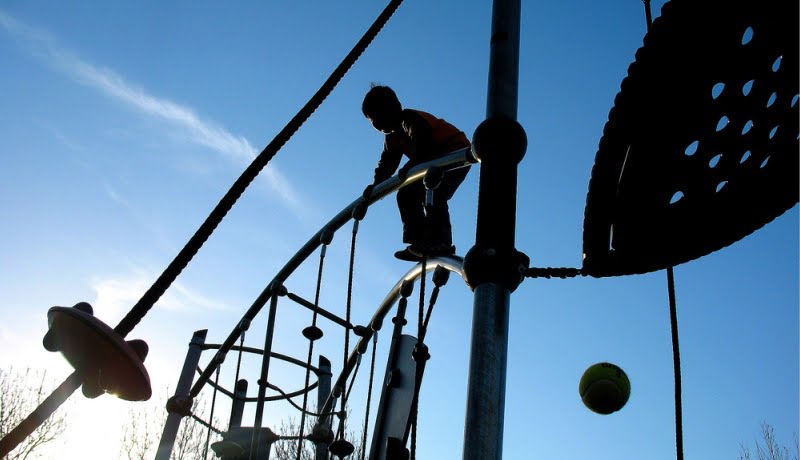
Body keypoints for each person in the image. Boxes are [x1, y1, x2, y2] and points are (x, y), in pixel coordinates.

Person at [361, 85, 471, 261]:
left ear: (393, 108)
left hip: (454, 152)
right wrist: (376, 186)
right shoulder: (393, 137)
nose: (375, 123)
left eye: (376, 116)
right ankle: (420, 242)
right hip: (432, 161)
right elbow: (387, 163)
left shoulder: (410, 119)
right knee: (406, 194)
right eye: (371, 120)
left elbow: (424, 144)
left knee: (435, 193)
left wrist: (411, 165)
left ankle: (441, 242)